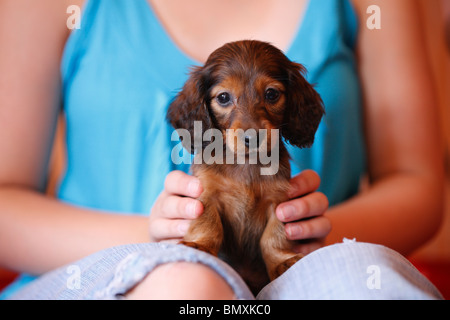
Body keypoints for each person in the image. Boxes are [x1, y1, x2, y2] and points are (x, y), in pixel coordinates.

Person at [0, 0, 444, 300]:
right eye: (225, 100)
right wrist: (163, 239)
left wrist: (307, 231)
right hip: (96, 269)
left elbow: (417, 182)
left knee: (363, 289)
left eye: (272, 96)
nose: (249, 126)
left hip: (311, 264)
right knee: (188, 289)